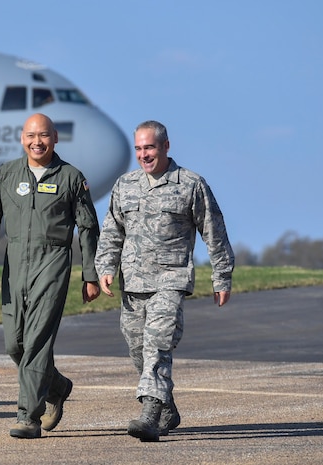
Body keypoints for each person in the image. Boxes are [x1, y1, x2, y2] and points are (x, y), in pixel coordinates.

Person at [95, 120, 234, 442]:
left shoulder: (191, 184)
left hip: (170, 280)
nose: (145, 155)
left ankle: (150, 415)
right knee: (138, 350)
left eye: (150, 148)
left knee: (157, 346)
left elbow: (214, 232)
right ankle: (167, 408)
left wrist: (222, 276)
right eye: (140, 149)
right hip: (132, 284)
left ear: (166, 147)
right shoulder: (125, 185)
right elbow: (113, 231)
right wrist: (105, 266)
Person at [0, 113, 101, 439]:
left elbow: (87, 229)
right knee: (13, 343)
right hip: (14, 262)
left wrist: (90, 275)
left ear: (55, 138)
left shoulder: (72, 178)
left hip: (54, 260)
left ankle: (28, 416)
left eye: (43, 135)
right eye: (31, 135)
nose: (37, 142)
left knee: (36, 341)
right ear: (21, 138)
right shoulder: (5, 174)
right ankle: (57, 386)